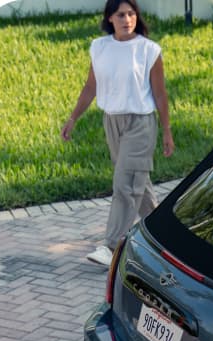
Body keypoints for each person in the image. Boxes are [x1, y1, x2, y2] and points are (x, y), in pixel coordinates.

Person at [61, 0, 174, 266]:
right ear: (110, 18)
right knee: (138, 185)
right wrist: (73, 117)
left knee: (125, 184)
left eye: (131, 14)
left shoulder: (149, 50)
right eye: (121, 14)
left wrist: (167, 131)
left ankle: (111, 246)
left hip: (141, 123)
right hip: (112, 122)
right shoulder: (99, 48)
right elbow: (91, 86)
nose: (127, 19)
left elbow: (159, 93)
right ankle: (164, 236)